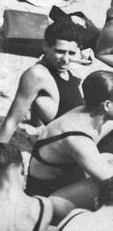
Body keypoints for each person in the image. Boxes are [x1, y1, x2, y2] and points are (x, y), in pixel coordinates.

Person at [23, 71, 113, 209]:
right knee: (106, 187)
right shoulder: (77, 138)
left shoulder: (86, 111)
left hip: (63, 181)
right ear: (106, 105)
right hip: (46, 200)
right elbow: (109, 181)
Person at [0, 19, 86, 145]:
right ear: (45, 46)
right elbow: (12, 121)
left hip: (87, 126)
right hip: (78, 142)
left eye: (71, 53)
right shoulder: (36, 75)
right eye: (60, 51)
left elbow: (37, 100)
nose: (66, 59)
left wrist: (35, 123)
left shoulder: (62, 69)